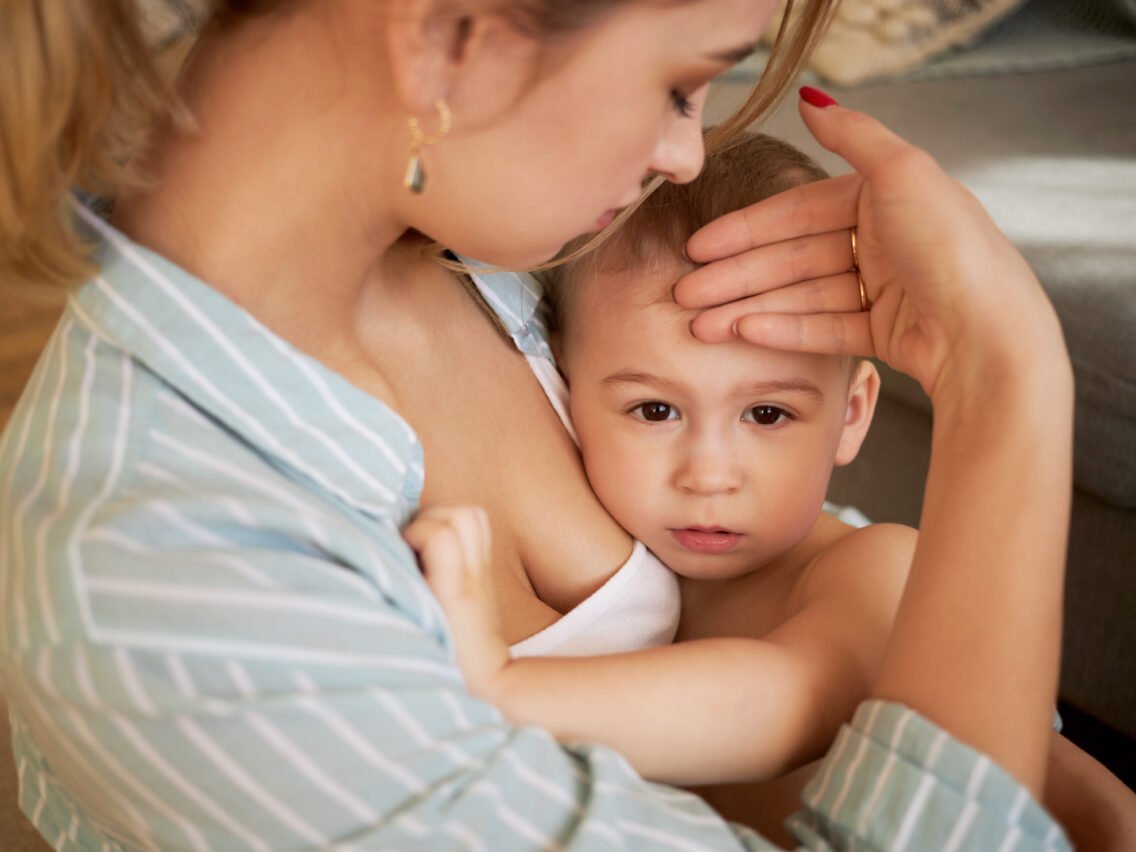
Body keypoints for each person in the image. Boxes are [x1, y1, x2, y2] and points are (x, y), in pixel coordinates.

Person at [0, 0, 1110, 848]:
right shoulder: (167, 586)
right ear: (452, 39)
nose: (684, 156)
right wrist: (1005, 380)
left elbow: (812, 600)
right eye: (678, 84)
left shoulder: (514, 268)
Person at [408, 131, 917, 793]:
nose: (708, 476)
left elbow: (784, 705)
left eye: (767, 415)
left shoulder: (879, 570)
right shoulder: (625, 553)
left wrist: (498, 688)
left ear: (850, 415)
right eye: (655, 410)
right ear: (563, 382)